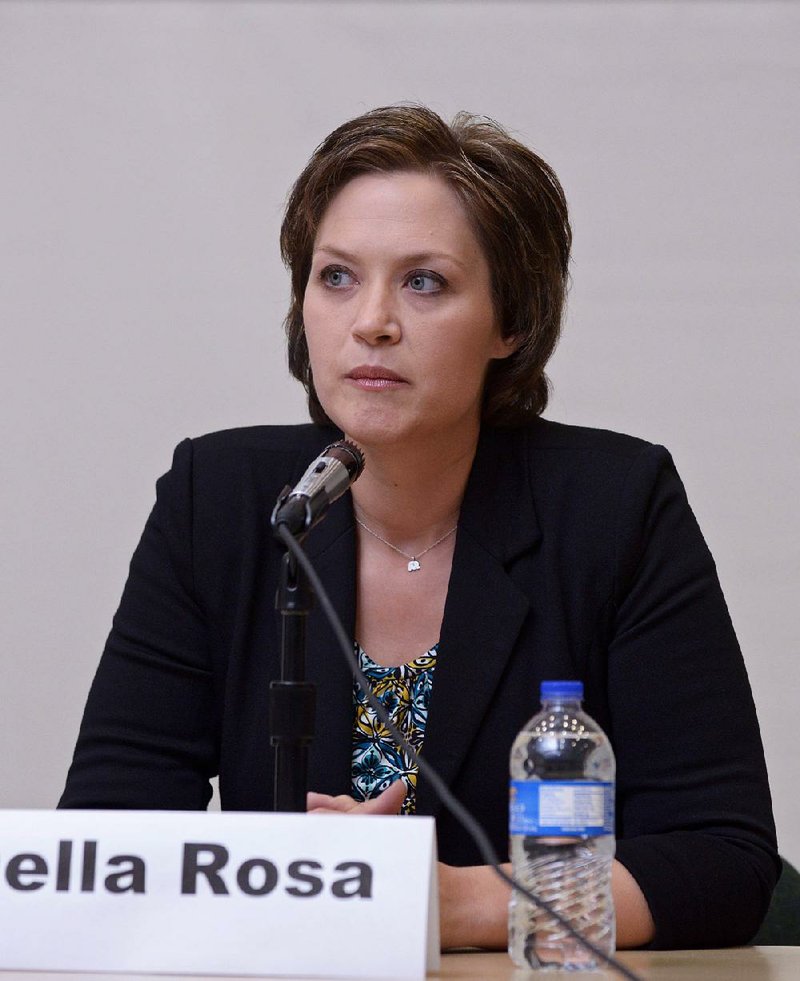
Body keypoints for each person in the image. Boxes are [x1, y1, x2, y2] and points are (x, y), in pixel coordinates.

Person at [60, 104, 779, 950]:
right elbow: (107, 838)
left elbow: (720, 860)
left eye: (424, 281)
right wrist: (283, 883)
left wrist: (449, 900)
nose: (372, 320)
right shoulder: (219, 499)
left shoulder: (614, 506)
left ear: (511, 322)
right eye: (336, 277)